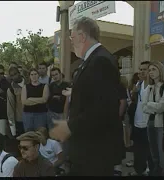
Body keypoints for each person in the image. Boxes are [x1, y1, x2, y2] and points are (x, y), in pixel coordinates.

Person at [50, 17, 122, 176]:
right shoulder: (93, 60)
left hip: (95, 150)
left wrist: (68, 126)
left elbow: (101, 108)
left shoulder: (100, 61)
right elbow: (93, 95)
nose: (71, 42)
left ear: (82, 36)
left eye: (72, 37)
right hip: (89, 147)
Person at [142, 61, 164, 176]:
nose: (151, 72)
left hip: (162, 124)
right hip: (150, 122)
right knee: (153, 154)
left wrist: (150, 104)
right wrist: (152, 105)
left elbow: (162, 107)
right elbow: (143, 107)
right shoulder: (150, 87)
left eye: (154, 69)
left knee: (163, 156)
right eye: (149, 70)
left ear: (160, 70)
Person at [7, 67, 26, 137]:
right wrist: (13, 130)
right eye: (12, 75)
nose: (14, 77)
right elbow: (10, 110)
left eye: (15, 74)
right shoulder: (11, 89)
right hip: (20, 120)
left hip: (33, 117)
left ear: (19, 73)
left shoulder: (30, 82)